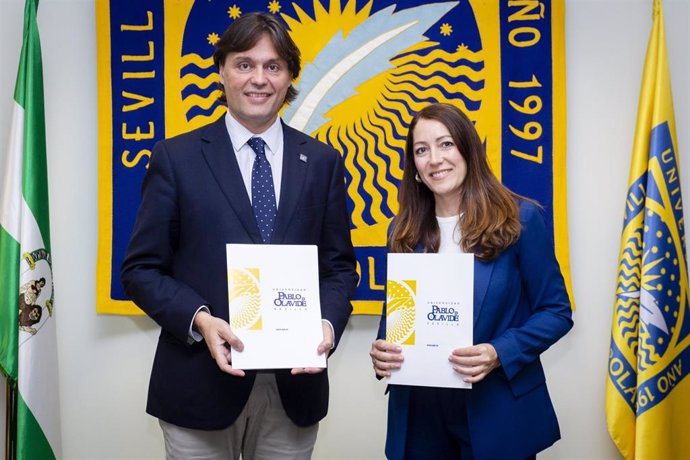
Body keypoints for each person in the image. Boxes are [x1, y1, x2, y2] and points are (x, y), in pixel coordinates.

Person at [120, 12, 358, 459]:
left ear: (290, 78)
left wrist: (324, 325)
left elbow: (340, 267)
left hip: (294, 390)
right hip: (198, 384)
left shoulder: (323, 162)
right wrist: (201, 321)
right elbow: (140, 270)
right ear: (221, 71)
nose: (259, 79)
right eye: (244, 64)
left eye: (273, 66)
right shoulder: (176, 158)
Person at [369, 103, 573, 460]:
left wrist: (498, 353)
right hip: (419, 415)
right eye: (422, 150)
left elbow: (556, 311)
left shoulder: (520, 220)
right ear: (414, 167)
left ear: (468, 150)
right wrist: (383, 348)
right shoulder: (401, 230)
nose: (435, 159)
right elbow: (398, 314)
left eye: (446, 144)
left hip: (497, 411)